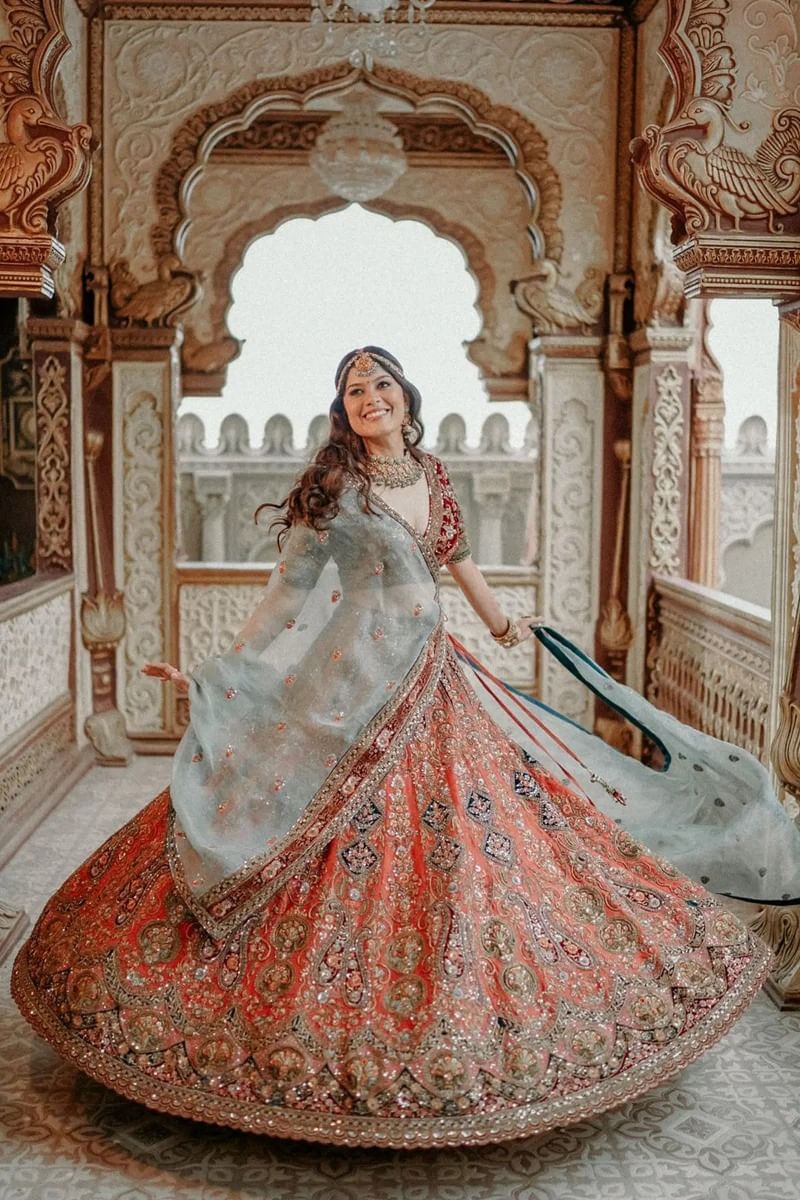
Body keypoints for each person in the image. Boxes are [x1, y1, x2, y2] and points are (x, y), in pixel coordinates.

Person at [10, 346, 782, 1149]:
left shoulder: (433, 473)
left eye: (381, 383)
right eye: (354, 388)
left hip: (432, 674)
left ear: (405, 396)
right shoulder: (335, 484)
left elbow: (458, 560)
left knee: (477, 836)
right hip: (349, 680)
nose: (370, 396)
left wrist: (506, 625)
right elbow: (287, 593)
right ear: (343, 410)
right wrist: (218, 670)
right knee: (301, 818)